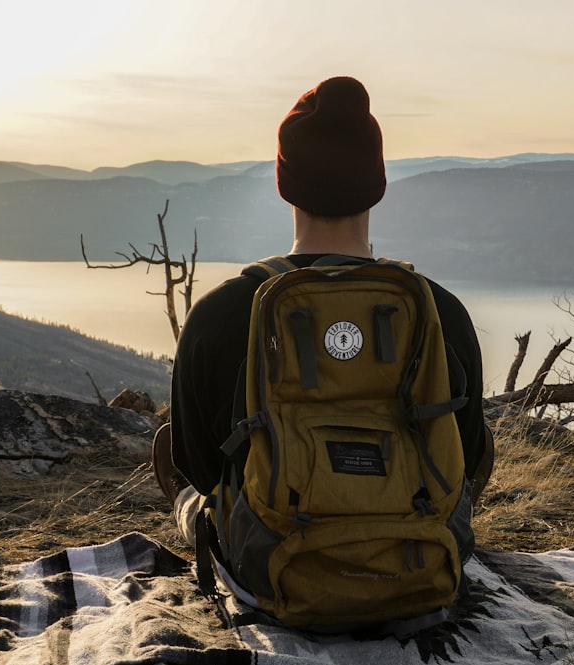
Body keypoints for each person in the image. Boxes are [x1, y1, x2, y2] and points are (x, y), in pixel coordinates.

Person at [155, 74, 492, 569]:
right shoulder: (438, 311)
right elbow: (466, 452)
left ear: (285, 184)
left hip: (271, 564)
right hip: (422, 564)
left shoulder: (221, 312)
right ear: (375, 186)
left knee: (196, 495)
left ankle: (188, 514)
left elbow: (202, 464)